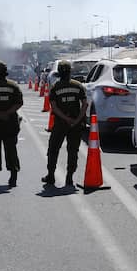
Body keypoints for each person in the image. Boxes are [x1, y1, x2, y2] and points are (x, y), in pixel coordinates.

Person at [42, 59, 88, 187]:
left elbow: (53, 106)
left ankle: (51, 176)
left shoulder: (55, 87)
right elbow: (85, 104)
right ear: (70, 72)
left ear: (59, 72)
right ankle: (69, 177)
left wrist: (66, 119)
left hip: (60, 124)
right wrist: (77, 120)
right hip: (76, 125)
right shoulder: (78, 86)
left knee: (53, 149)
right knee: (73, 151)